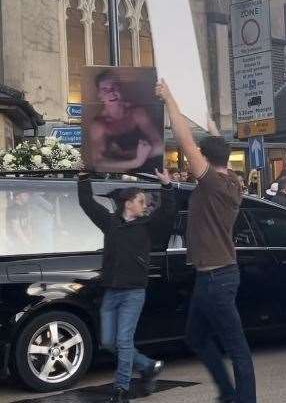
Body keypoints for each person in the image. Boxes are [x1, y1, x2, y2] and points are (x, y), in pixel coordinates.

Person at [155, 80, 255, 403]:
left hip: (218, 278)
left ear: (206, 160)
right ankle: (227, 392)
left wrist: (170, 99)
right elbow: (211, 141)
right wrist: (205, 113)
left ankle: (243, 399)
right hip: (210, 276)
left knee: (237, 346)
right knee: (196, 336)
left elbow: (185, 142)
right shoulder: (233, 180)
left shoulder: (212, 182)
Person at [77, 168, 176, 402]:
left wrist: (167, 186)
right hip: (111, 291)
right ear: (128, 203)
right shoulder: (109, 222)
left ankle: (121, 389)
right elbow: (87, 203)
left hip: (134, 291)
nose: (145, 205)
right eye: (141, 201)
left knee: (123, 341)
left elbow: (168, 212)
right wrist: (83, 178)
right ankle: (148, 365)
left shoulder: (147, 224)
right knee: (108, 342)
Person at [87, 70, 164, 173]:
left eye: (114, 87)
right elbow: (99, 164)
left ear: (120, 88)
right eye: (105, 89)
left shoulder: (137, 113)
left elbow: (159, 147)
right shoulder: (99, 125)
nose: (111, 93)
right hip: (118, 179)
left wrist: (123, 156)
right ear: (99, 95)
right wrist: (136, 161)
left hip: (148, 174)